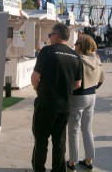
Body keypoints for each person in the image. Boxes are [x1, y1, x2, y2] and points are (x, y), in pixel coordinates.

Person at [31, 23, 82, 172]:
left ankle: (39, 169)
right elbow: (78, 84)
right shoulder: (75, 56)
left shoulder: (47, 51)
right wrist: (63, 89)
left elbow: (35, 78)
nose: (49, 38)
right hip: (64, 106)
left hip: (45, 104)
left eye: (50, 35)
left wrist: (38, 89)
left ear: (56, 35)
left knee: (41, 140)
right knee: (59, 142)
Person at [66, 34, 104, 172]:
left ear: (83, 46)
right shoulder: (97, 59)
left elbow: (75, 83)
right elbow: (101, 79)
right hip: (92, 95)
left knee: (74, 130)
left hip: (78, 97)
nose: (74, 45)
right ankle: (88, 160)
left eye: (77, 43)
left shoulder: (77, 60)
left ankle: (72, 162)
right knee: (87, 129)